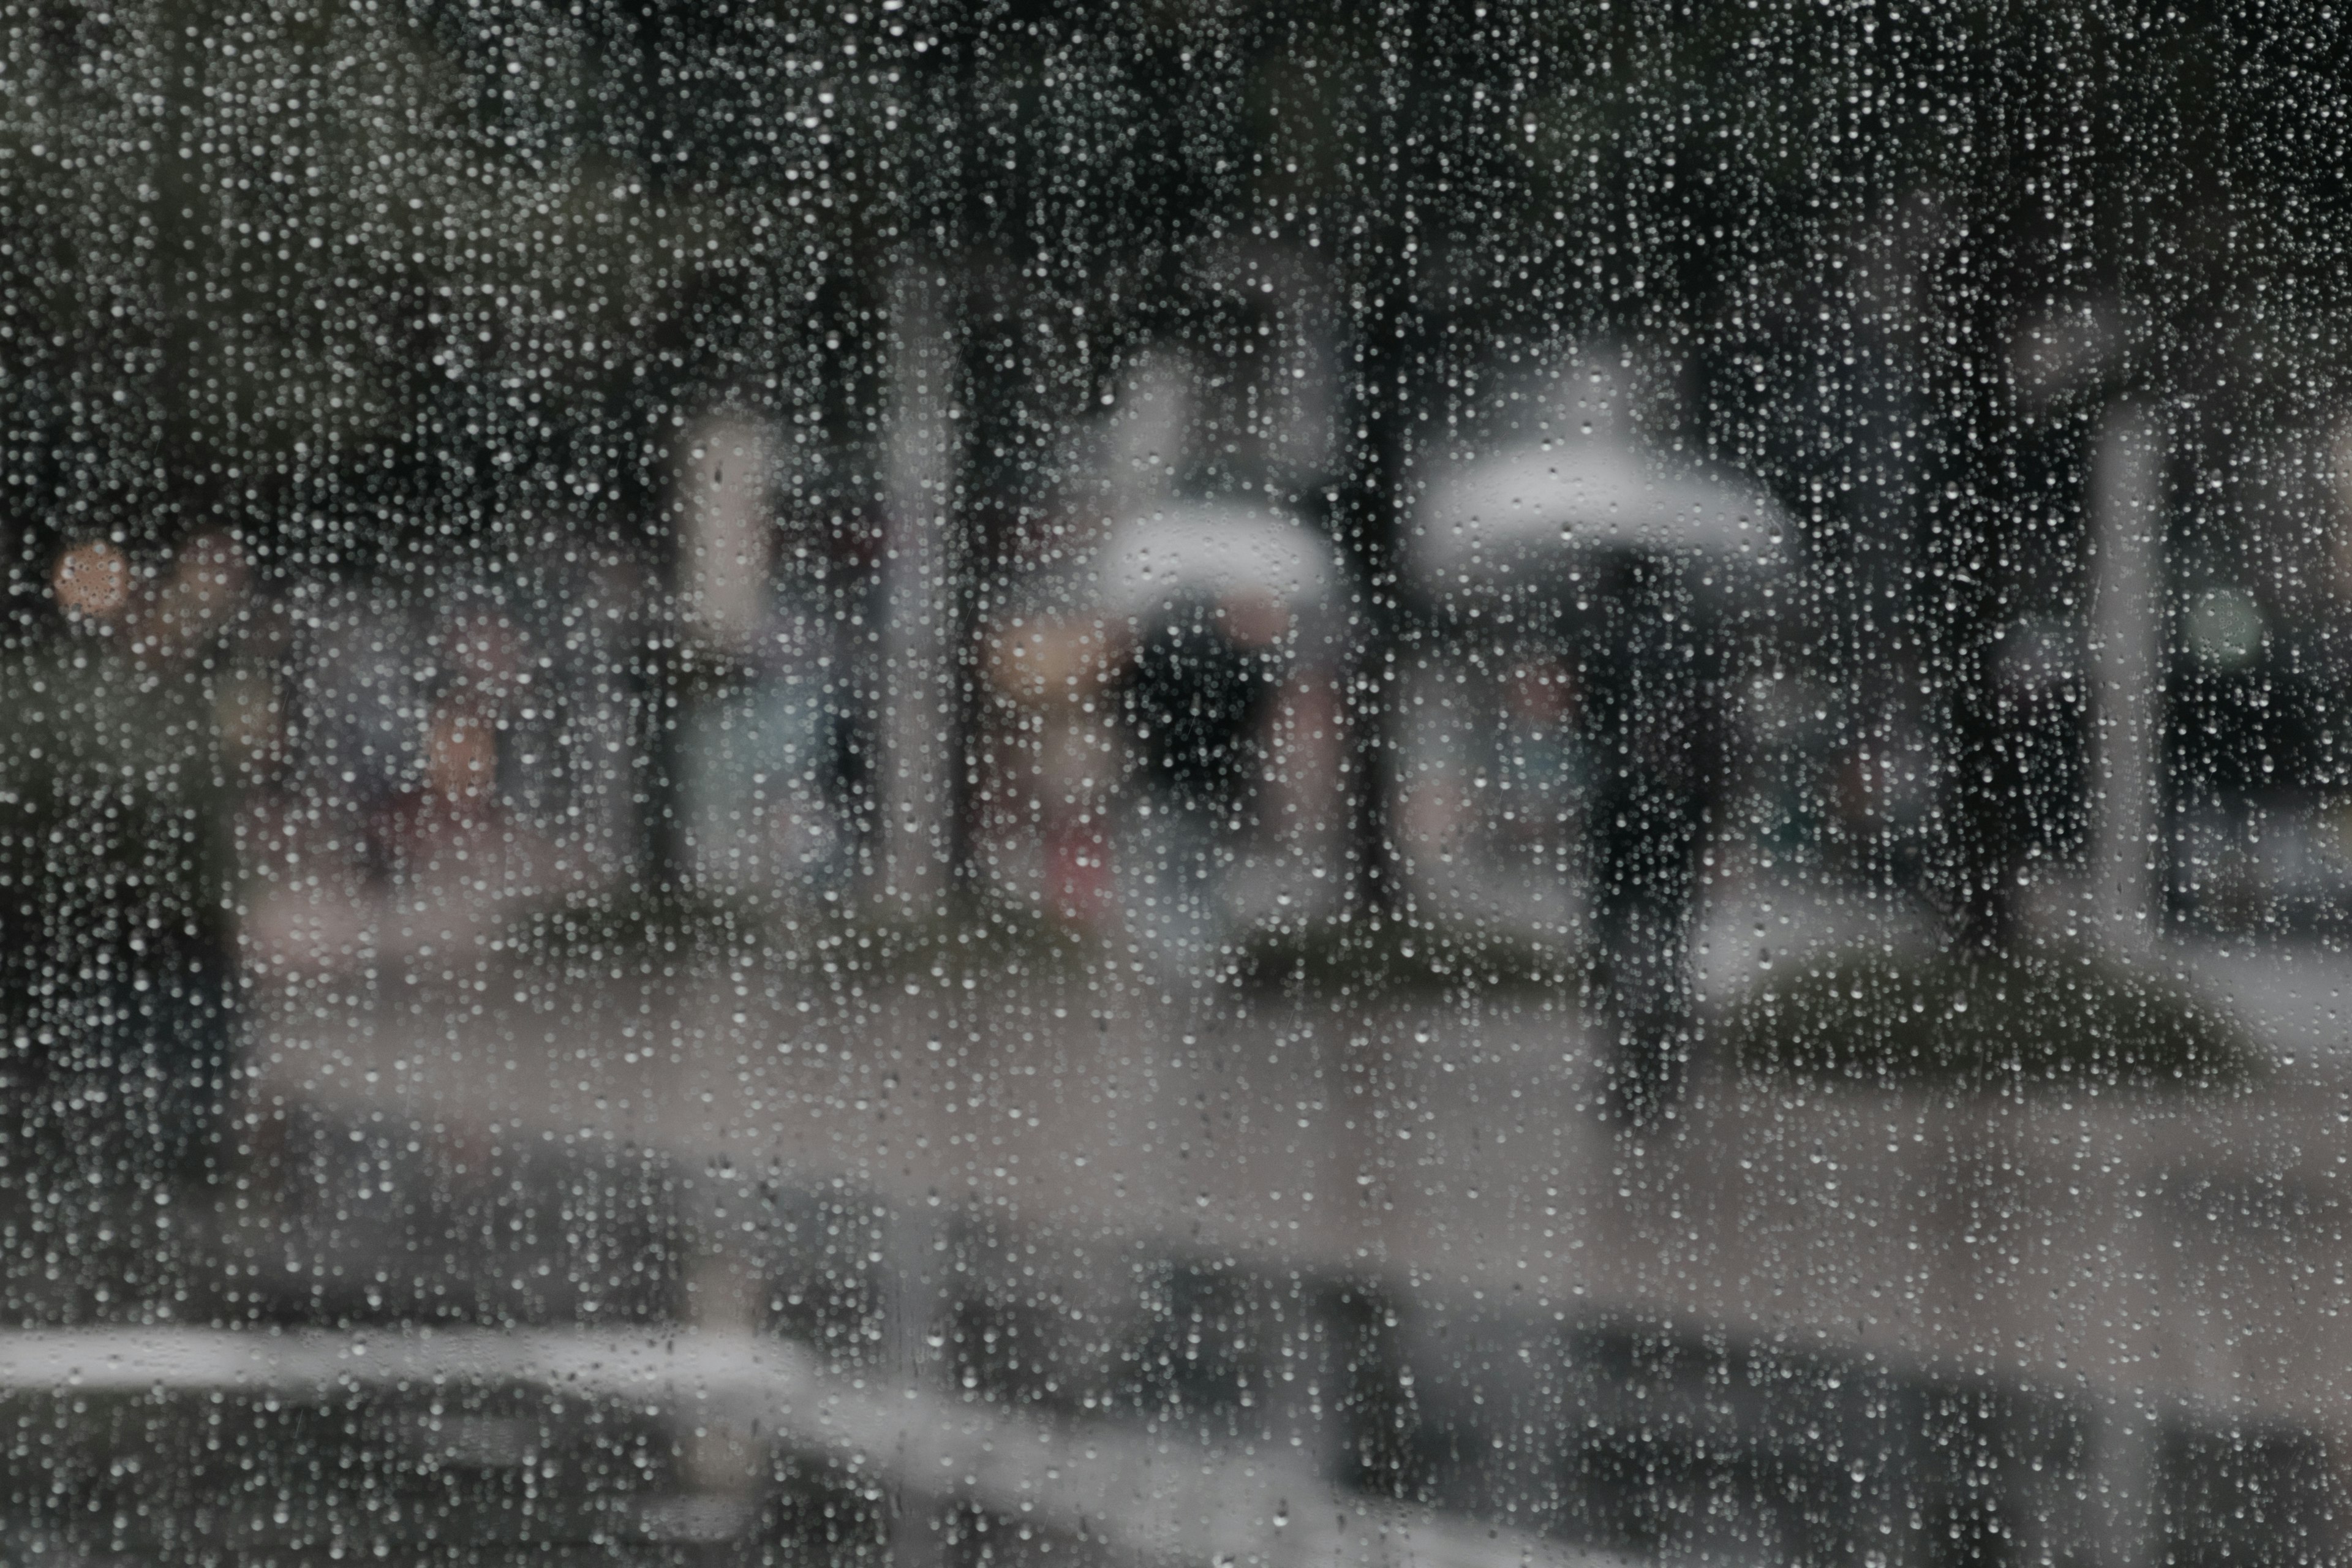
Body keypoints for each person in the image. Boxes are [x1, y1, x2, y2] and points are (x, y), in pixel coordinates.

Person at [0, 534, 247, 1191]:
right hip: (113, 934)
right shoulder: (69, 695)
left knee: (183, 1115)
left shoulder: (196, 693)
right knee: (101, 1120)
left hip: (183, 933)